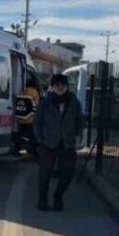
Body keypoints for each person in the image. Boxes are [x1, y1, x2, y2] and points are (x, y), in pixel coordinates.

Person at [33, 73, 84, 211]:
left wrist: (79, 136)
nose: (60, 87)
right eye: (57, 85)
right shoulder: (45, 103)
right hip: (48, 144)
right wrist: (40, 139)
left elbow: (79, 121)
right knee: (44, 174)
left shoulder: (74, 103)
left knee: (68, 174)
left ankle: (58, 196)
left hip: (67, 144)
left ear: (67, 86)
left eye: (63, 85)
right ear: (52, 87)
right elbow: (37, 122)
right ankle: (42, 201)